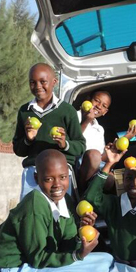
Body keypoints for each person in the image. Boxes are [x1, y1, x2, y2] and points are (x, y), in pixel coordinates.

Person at [13, 63, 86, 200]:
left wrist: (64, 144)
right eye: (32, 82)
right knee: (30, 214)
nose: (38, 86)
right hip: (33, 173)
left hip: (60, 173)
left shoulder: (67, 111)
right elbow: (18, 150)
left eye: (43, 82)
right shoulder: (24, 111)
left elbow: (80, 146)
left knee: (61, 215)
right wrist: (28, 140)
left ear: (54, 82)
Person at [77, 90, 136, 192]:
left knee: (110, 179)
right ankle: (81, 192)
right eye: (96, 101)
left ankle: (92, 197)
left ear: (105, 112)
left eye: (104, 106)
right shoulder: (74, 116)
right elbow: (73, 139)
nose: (99, 106)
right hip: (78, 170)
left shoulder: (99, 129)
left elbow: (101, 158)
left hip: (94, 171)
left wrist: (126, 138)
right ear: (88, 100)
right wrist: (86, 120)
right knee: (93, 154)